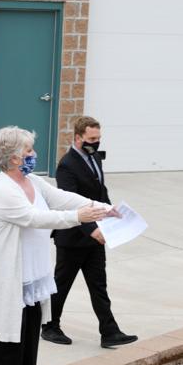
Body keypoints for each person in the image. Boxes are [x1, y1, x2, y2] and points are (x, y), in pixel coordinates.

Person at [0, 126, 118, 365]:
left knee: (31, 322)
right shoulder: (3, 190)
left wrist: (102, 207)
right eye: (29, 150)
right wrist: (78, 217)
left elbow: (62, 198)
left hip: (33, 267)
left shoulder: (32, 181)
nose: (34, 154)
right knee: (11, 326)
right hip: (11, 268)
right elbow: (37, 218)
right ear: (15, 157)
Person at [41, 116, 137, 348]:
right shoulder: (67, 165)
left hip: (95, 237)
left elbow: (100, 191)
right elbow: (69, 201)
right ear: (78, 138)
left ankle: (109, 332)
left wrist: (111, 211)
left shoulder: (94, 158)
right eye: (91, 139)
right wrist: (91, 229)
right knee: (61, 284)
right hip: (73, 238)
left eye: (98, 138)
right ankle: (50, 327)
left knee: (99, 285)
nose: (95, 143)